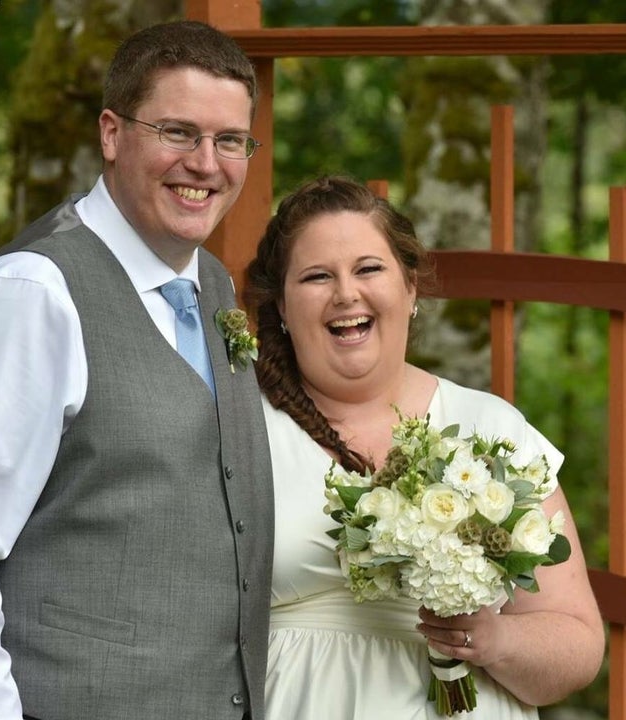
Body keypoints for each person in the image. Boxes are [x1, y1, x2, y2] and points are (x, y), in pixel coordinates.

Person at [0, 20, 273, 720]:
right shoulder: (32, 293)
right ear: (112, 133)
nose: (206, 164)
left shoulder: (213, 286)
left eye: (229, 141)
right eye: (178, 132)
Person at [244, 175, 605, 719]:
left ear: (410, 289)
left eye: (369, 269)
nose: (347, 294)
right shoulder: (241, 426)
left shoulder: (490, 426)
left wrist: (493, 640)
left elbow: (578, 644)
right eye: (318, 276)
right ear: (282, 309)